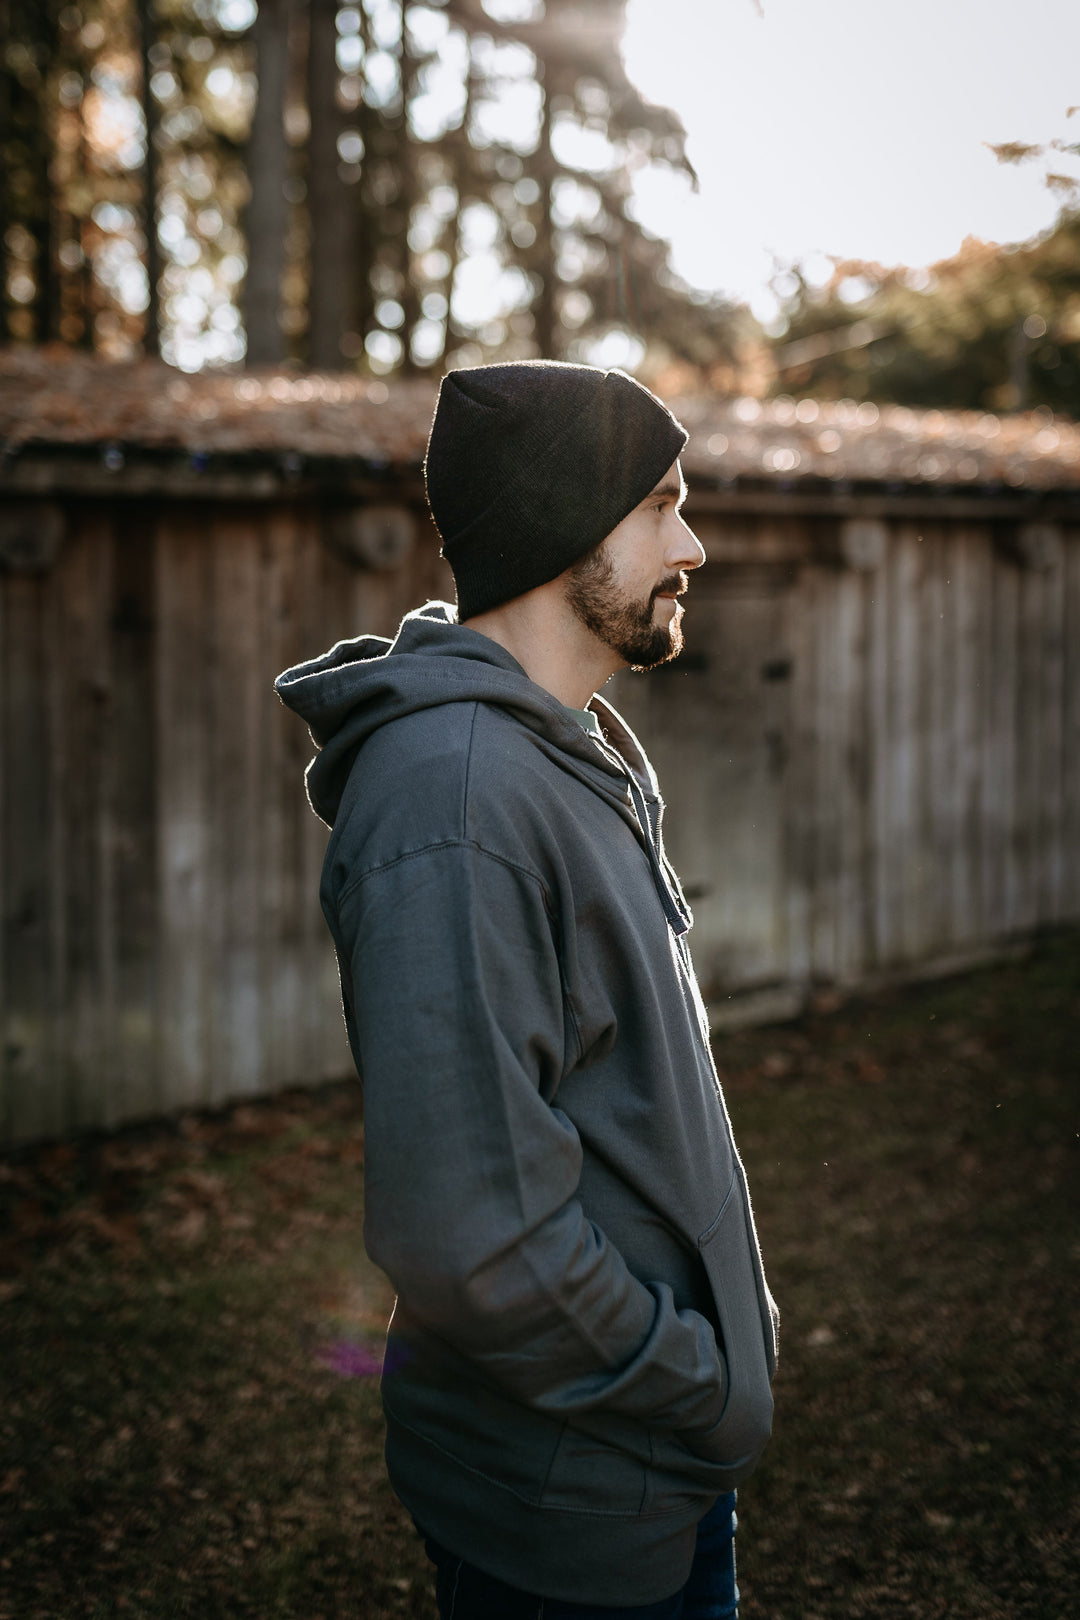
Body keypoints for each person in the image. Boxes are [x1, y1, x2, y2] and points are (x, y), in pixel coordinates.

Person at [275, 361, 778, 1619]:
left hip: (643, 1472)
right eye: (662, 505)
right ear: (565, 526)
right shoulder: (458, 800)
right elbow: (476, 1240)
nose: (694, 545)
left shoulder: (564, 753)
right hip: (578, 1502)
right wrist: (694, 1379)